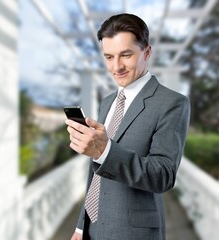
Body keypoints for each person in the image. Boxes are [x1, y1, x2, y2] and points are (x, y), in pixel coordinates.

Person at [65, 13, 190, 240]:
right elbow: (96, 174)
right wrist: (81, 225)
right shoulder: (107, 102)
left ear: (147, 52)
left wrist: (105, 151)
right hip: (93, 229)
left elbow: (163, 175)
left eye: (126, 55)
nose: (116, 66)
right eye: (109, 57)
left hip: (133, 233)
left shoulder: (172, 103)